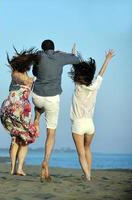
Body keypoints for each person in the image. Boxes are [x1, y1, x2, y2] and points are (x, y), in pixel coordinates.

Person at [32, 40, 80, 181]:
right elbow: (76, 60)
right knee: (51, 133)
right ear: (54, 48)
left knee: (39, 105)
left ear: (42, 48)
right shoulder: (59, 57)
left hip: (37, 96)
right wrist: (68, 53)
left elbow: (34, 69)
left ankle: (36, 118)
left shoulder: (38, 56)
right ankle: (46, 160)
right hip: (53, 99)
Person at [69, 49, 114, 181]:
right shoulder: (95, 86)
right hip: (90, 124)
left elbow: (77, 70)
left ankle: (87, 175)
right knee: (87, 148)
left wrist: (74, 56)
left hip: (78, 123)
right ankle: (88, 173)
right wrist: (107, 59)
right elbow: (100, 74)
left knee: (81, 152)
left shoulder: (78, 86)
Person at [0, 48, 40, 175]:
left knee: (17, 139)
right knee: (23, 139)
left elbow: (27, 81)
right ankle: (17, 168)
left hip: (13, 109)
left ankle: (15, 169)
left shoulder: (17, 74)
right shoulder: (16, 74)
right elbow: (26, 81)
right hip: (18, 109)